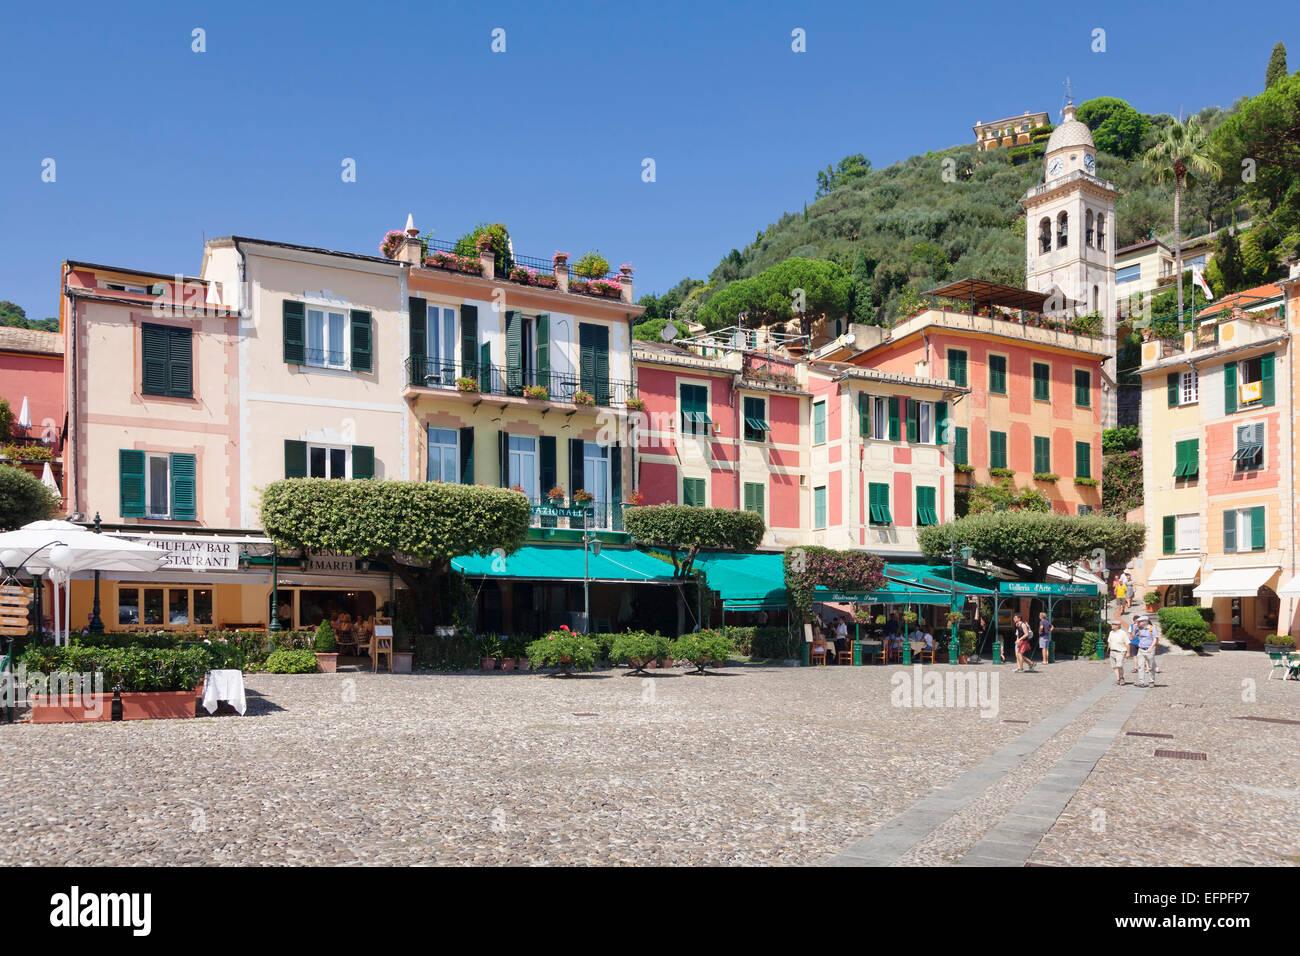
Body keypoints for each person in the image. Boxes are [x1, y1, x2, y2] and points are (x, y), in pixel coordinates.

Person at [1136, 616, 1159, 687]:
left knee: (1151, 666)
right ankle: (1141, 682)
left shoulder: (1152, 628)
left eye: (1140, 621)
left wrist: (1151, 647)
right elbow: (1132, 637)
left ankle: (1151, 681)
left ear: (1145, 622)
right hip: (1141, 649)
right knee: (1140, 666)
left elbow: (1155, 639)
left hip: (1149, 650)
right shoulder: (1139, 629)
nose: (1138, 623)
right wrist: (1134, 629)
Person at [1107, 619, 1130, 685]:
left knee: (1119, 665)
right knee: (1114, 666)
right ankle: (1118, 679)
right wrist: (1108, 650)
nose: (1111, 625)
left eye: (1113, 624)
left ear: (1117, 626)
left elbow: (1127, 643)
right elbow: (1109, 641)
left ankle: (1122, 677)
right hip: (1112, 651)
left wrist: (1128, 653)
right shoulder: (1111, 632)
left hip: (1120, 652)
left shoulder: (1123, 633)